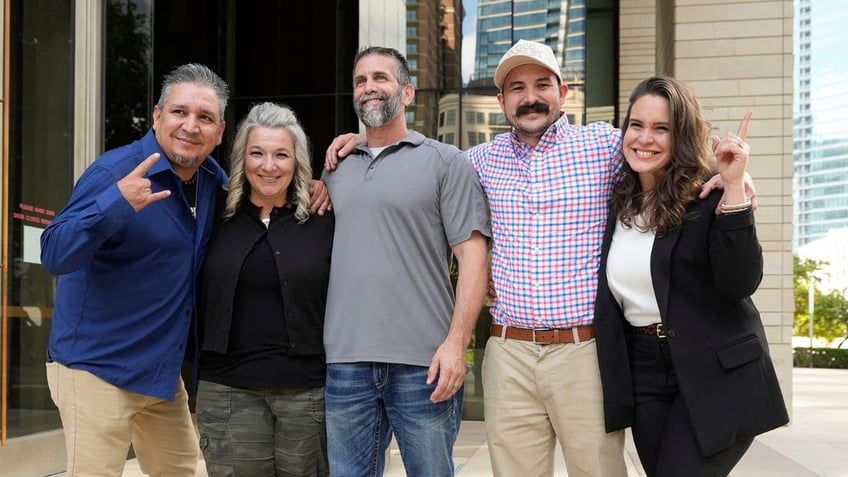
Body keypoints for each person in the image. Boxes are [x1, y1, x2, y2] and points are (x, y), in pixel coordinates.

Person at [325, 40, 758, 477]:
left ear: (562, 91)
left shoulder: (605, 147)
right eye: (516, 88)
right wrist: (358, 145)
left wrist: (726, 177)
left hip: (583, 351)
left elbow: (662, 154)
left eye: (540, 85)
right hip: (508, 352)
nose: (529, 97)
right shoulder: (475, 162)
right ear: (501, 101)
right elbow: (413, 170)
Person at [593, 76, 789, 476]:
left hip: (716, 371)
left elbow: (740, 282)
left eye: (661, 128)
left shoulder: (708, 194)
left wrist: (733, 187)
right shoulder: (620, 202)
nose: (645, 138)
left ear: (680, 134)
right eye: (637, 125)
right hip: (646, 372)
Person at [41, 63, 229, 476]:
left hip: (160, 374)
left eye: (205, 118)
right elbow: (54, 252)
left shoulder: (214, 183)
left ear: (219, 131)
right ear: (158, 116)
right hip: (97, 370)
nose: (190, 126)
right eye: (179, 112)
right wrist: (115, 205)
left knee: (181, 471)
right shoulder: (115, 171)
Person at [320, 46, 490, 476]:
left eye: (381, 78)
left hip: (424, 364)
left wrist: (457, 347)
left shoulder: (446, 162)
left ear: (408, 93)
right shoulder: (335, 167)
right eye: (361, 80)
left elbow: (473, 259)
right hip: (346, 363)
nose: (370, 87)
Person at [195, 102, 334, 476]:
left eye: (281, 154)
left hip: (307, 392)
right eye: (257, 153)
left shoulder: (325, 217)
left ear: (298, 161)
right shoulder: (213, 214)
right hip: (227, 390)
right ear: (242, 158)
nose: (268, 166)